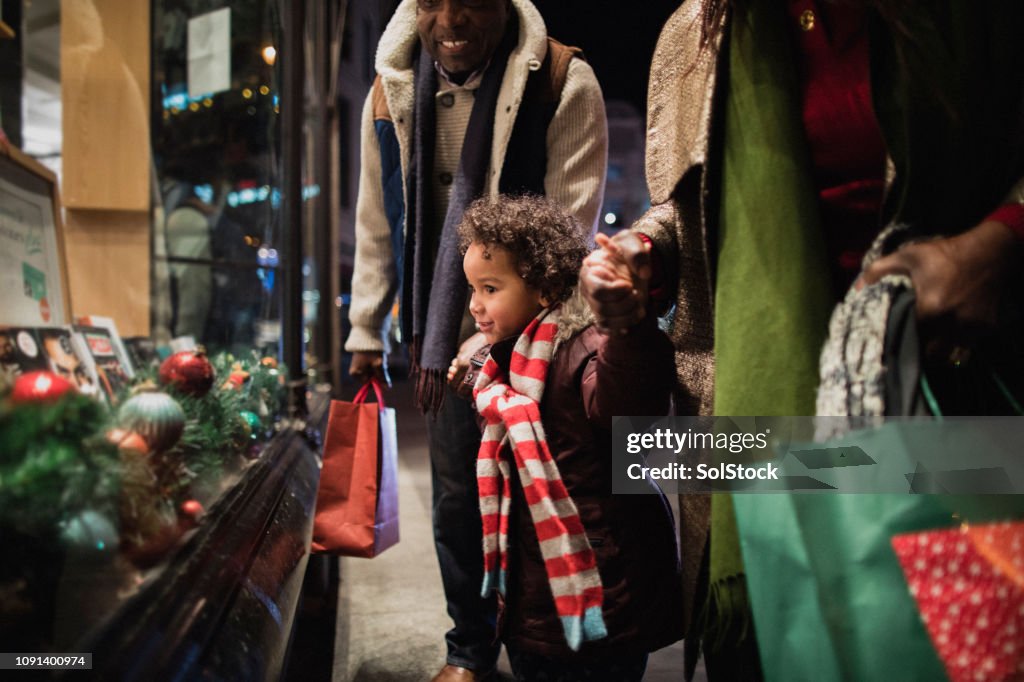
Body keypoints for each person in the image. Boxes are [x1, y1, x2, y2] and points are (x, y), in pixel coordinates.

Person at [581, 1, 1024, 680]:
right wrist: (645, 252)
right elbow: (689, 205)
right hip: (756, 418)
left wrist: (1000, 243)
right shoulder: (695, 32)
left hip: (943, 395)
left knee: (940, 649)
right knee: (765, 644)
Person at [345, 0, 607, 679]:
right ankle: (469, 651)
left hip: (536, 341)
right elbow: (379, 222)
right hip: (441, 342)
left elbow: (568, 233)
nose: (450, 18)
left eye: (469, 1)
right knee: (459, 499)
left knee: (540, 494)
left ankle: (547, 649)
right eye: (432, 2)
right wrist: (365, 327)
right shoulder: (391, 89)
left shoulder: (560, 79)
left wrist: (504, 342)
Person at [452, 195, 683, 682]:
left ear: (543, 288)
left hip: (601, 585)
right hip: (529, 595)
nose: (474, 304)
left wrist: (626, 327)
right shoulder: (501, 364)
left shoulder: (587, 348)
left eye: (490, 288)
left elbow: (629, 403)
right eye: (471, 287)